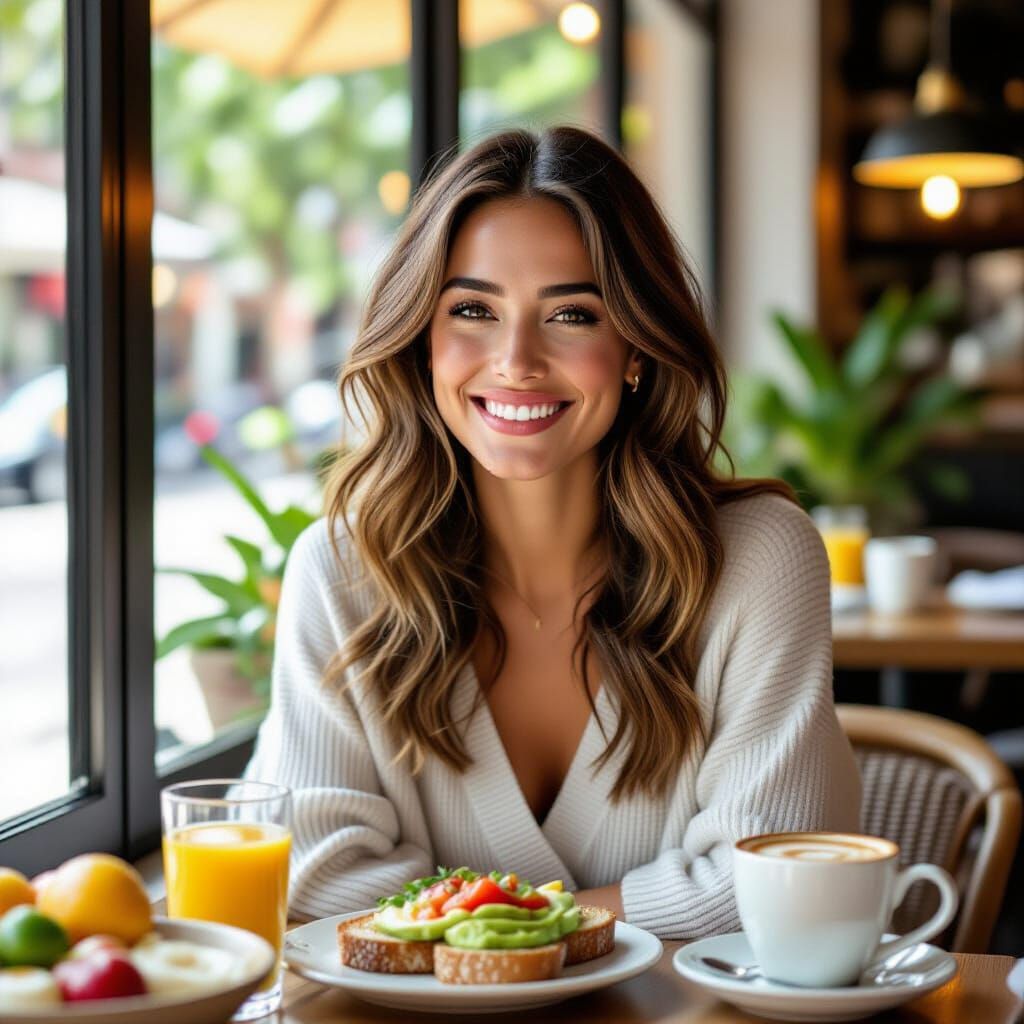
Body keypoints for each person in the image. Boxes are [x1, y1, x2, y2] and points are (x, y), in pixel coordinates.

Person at [244, 125, 860, 938]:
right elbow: (319, 882)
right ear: (422, 340)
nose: (516, 360)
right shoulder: (344, 571)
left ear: (635, 346)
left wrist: (492, 931)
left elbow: (766, 880)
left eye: (571, 313)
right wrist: (577, 927)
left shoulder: (758, 560)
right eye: (472, 310)